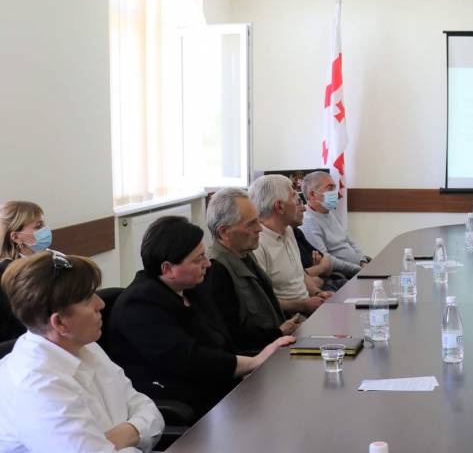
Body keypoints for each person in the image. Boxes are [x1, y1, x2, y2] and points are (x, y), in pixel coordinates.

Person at [108, 216, 294, 420]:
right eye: (198, 260)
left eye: (204, 255)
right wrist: (253, 362)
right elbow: (189, 359)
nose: (207, 264)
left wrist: (260, 352)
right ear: (168, 269)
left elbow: (222, 338)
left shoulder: (192, 288)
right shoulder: (139, 304)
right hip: (185, 403)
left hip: (221, 391)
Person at [0, 252, 164, 452]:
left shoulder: (84, 345)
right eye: (88, 299)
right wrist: (134, 434)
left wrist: (127, 433)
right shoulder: (37, 387)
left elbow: (148, 410)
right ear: (59, 322)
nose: (101, 304)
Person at [205, 188, 302, 354]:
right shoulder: (216, 270)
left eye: (258, 220)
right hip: (257, 358)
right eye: (251, 224)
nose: (260, 228)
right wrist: (278, 332)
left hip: (276, 345)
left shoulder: (245, 253)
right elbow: (230, 336)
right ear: (224, 232)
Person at [248, 175, 333, 315]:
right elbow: (263, 302)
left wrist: (317, 293)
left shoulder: (288, 230)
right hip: (289, 317)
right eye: (295, 197)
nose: (303, 207)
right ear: (279, 206)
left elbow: (300, 275)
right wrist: (304, 305)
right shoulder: (257, 243)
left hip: (306, 309)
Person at [300, 171, 370, 280]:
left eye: (334, 188)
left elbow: (349, 241)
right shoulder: (308, 221)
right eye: (330, 188)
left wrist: (362, 261)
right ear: (312, 194)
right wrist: (358, 269)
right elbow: (326, 259)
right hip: (344, 275)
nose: (335, 193)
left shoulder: (330, 212)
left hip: (359, 267)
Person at [0, 201, 51, 341]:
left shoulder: (52, 256)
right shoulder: (6, 273)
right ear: (16, 237)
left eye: (44, 224)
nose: (46, 230)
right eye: (38, 226)